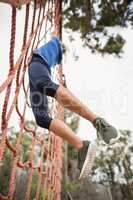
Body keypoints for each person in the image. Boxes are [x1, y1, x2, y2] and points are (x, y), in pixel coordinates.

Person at [28, 30, 118, 179]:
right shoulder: (53, 50)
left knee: (44, 84)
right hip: (37, 71)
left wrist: (57, 39)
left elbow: (56, 39)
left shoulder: (51, 48)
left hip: (38, 64)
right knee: (41, 118)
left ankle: (97, 121)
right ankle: (82, 146)